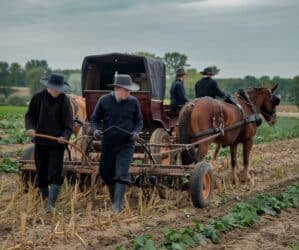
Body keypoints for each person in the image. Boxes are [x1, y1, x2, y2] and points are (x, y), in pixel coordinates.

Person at [91, 74, 143, 214]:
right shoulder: (104, 101)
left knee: (121, 173)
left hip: (126, 143)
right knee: (106, 173)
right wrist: (95, 130)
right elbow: (94, 120)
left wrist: (136, 132)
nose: (129, 92)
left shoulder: (133, 102)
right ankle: (115, 201)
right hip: (108, 143)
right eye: (126, 90)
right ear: (118, 89)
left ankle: (116, 207)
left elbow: (139, 121)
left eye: (130, 90)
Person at [25, 73, 73, 213]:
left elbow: (69, 125)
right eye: (55, 89)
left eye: (59, 89)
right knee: (41, 173)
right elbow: (29, 116)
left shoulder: (64, 101)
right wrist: (30, 128)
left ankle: (50, 207)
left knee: (54, 173)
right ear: (48, 87)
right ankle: (45, 200)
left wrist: (64, 137)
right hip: (40, 142)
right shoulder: (37, 98)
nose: (57, 91)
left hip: (57, 144)